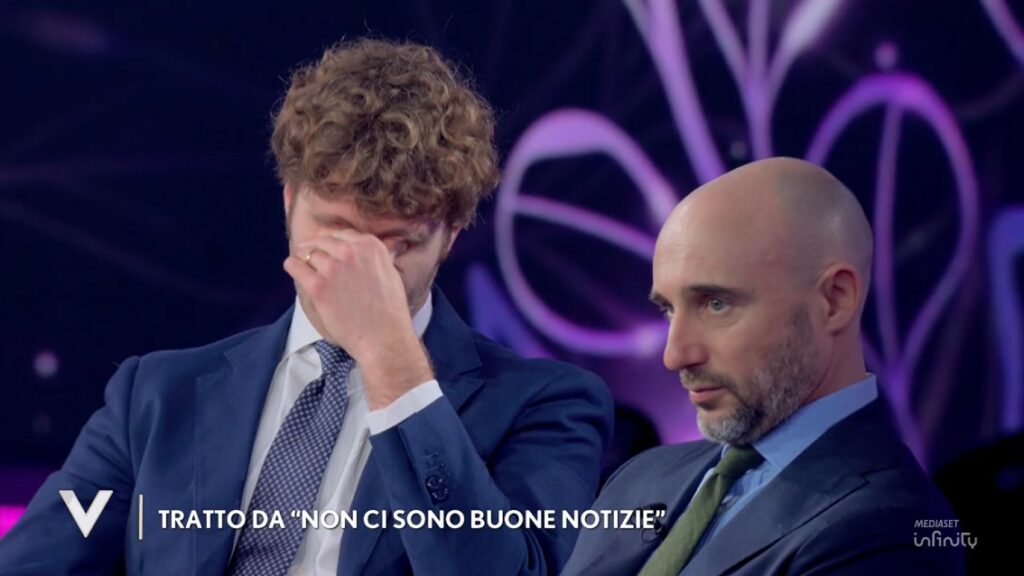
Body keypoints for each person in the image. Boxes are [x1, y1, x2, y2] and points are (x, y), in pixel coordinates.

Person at [0, 38, 613, 576]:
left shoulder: (547, 405)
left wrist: (391, 359)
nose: (362, 269)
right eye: (339, 232)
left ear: (451, 235)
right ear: (290, 202)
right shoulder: (157, 396)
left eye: (398, 244)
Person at [562, 157, 965, 575]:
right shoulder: (640, 477)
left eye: (716, 304)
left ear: (834, 300)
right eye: (668, 310)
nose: (675, 355)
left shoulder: (893, 527)